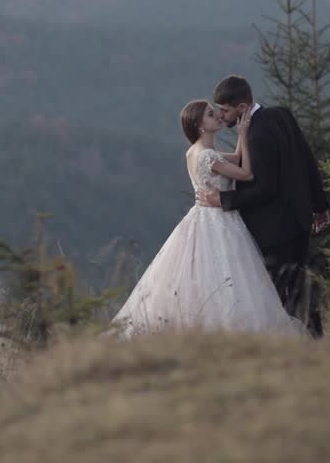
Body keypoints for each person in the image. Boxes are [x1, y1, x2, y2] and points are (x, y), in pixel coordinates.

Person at [110, 98, 305, 339]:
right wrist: (243, 134)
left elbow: (234, 158)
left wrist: (241, 137)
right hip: (219, 221)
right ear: (200, 126)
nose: (218, 116)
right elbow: (245, 173)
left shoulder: (198, 152)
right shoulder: (207, 157)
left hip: (202, 218)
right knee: (226, 274)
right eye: (211, 114)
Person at [196, 75, 330, 337]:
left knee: (283, 293)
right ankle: (314, 339)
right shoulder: (281, 116)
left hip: (275, 230)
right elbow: (306, 159)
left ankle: (312, 342)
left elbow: (264, 189)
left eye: (225, 110)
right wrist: (320, 205)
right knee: (297, 285)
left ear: (243, 108)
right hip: (298, 222)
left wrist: (222, 200)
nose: (221, 116)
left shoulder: (257, 137)